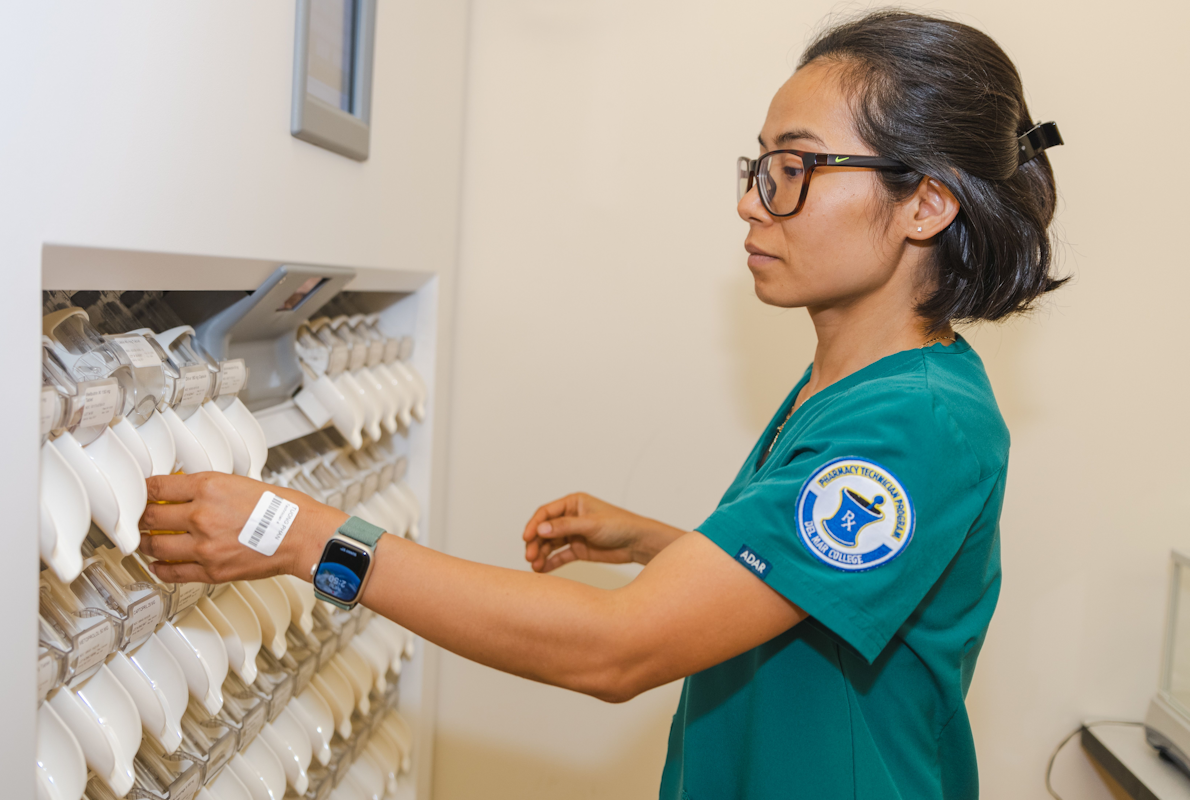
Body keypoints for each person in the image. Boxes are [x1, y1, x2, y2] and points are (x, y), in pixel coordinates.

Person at [138, 9, 1065, 798]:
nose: (753, 204)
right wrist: (664, 546)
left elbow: (614, 652)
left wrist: (302, 537)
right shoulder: (866, 384)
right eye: (758, 167)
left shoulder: (912, 421)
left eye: (795, 169)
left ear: (926, 205)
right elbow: (813, 584)